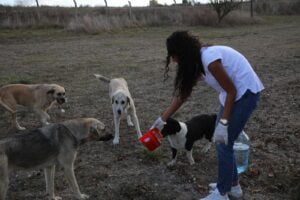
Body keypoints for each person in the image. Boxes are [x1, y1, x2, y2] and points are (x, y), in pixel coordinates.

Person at [151, 31, 264, 200]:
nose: (174, 61)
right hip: (231, 96)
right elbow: (183, 95)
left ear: (182, 52)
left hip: (245, 94)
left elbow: (232, 90)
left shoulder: (209, 60)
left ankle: (222, 193)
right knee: (222, 142)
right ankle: (233, 187)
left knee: (223, 143)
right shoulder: (197, 63)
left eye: (174, 56)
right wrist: (162, 119)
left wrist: (224, 123)